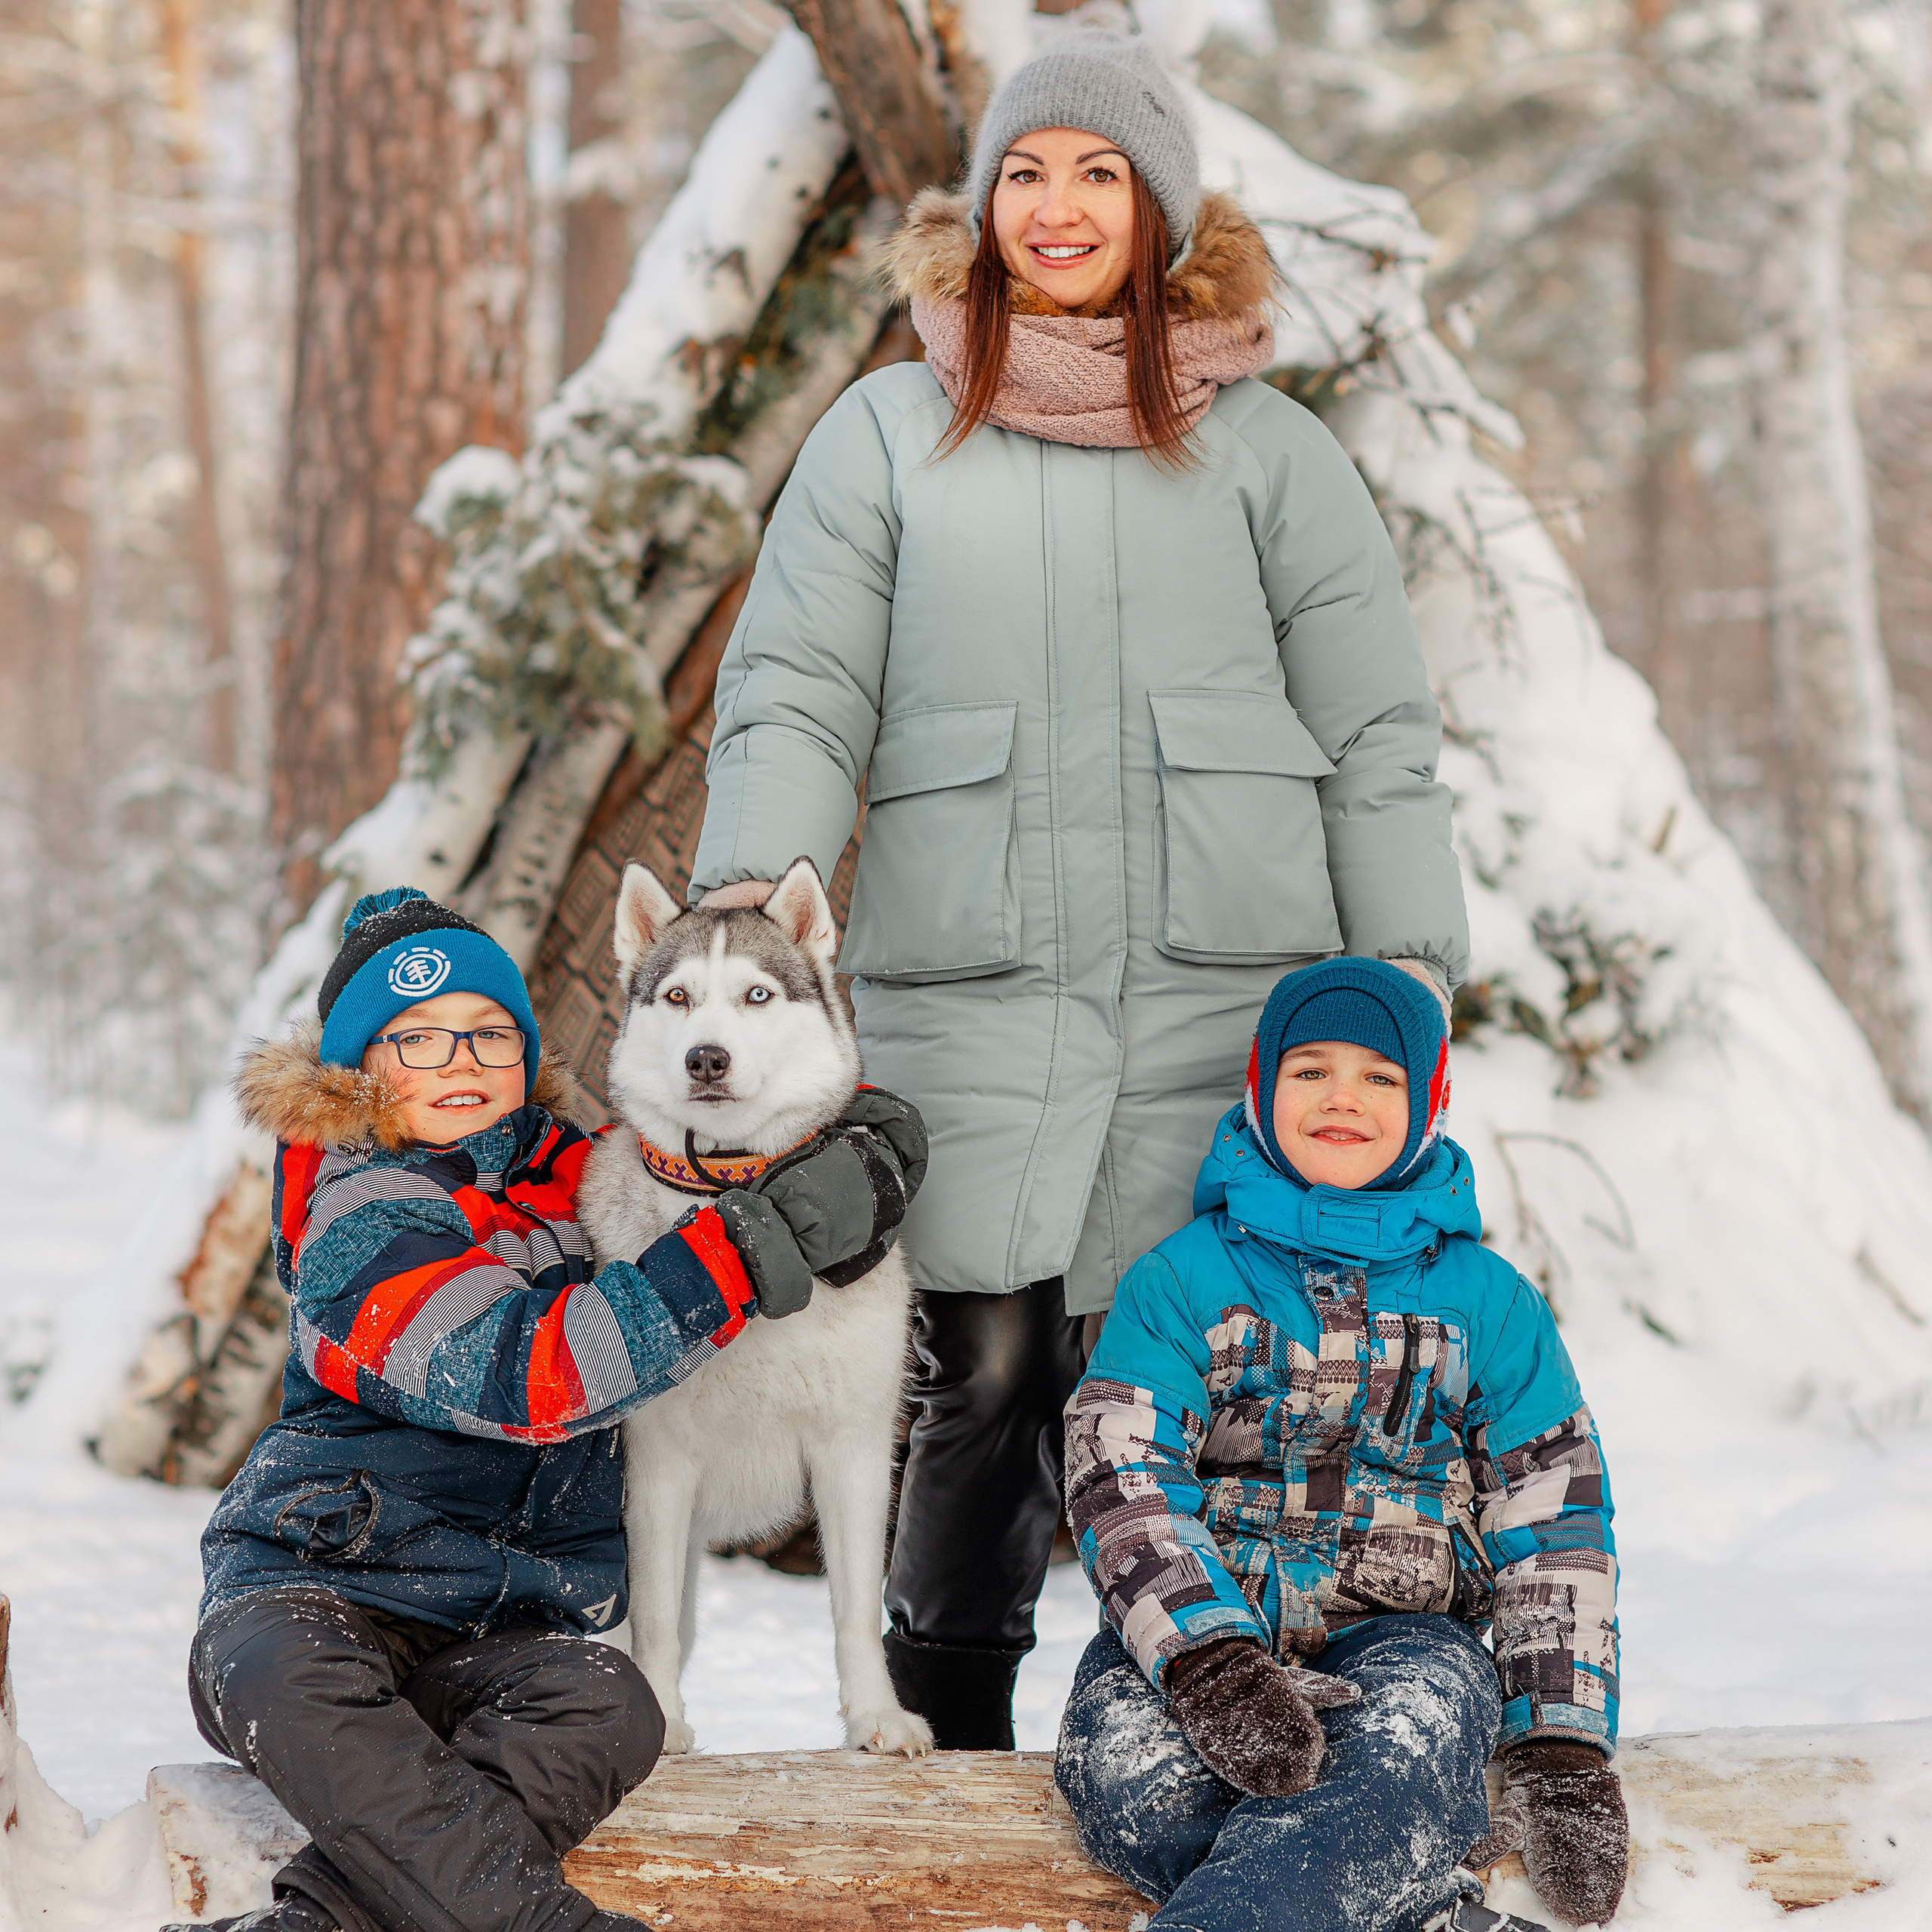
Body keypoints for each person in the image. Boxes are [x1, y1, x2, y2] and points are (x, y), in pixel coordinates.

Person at [687, 30, 1469, 1749]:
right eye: (1024, 173)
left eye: (1097, 174)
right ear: (979, 209)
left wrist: (1400, 965)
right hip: (971, 979)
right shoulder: (889, 431)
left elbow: (1372, 726)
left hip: (1218, 992)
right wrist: (746, 900)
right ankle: (939, 1737)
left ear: (1158, 209)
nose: (1056, 208)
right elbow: (802, 682)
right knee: (978, 1375)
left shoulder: (1267, 452)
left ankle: (1172, 1720)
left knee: (1171, 1386)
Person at [183, 888, 922, 1932]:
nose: (461, 1062)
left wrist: (858, 1142)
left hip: (499, 1626)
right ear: (359, 1071)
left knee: (612, 1707)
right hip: (320, 1595)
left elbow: (724, 1143)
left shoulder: (580, 1172)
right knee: (299, 1685)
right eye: (419, 1041)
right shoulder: (355, 1207)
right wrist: (743, 1247)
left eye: (488, 1035)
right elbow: (526, 1376)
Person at [1054, 958, 1628, 1932]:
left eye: (1380, 1078)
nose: (1342, 1099)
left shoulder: (1488, 1303)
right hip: (1200, 1645)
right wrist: (1211, 1663)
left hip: (1407, 1641)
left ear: (1429, 1101)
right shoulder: (1183, 1279)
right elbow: (1121, 1469)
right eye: (1310, 1070)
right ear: (1262, 1084)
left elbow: (1554, 1520)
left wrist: (1559, 1746)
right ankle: (1423, 1913)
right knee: (1123, 1774)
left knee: (1406, 1753)